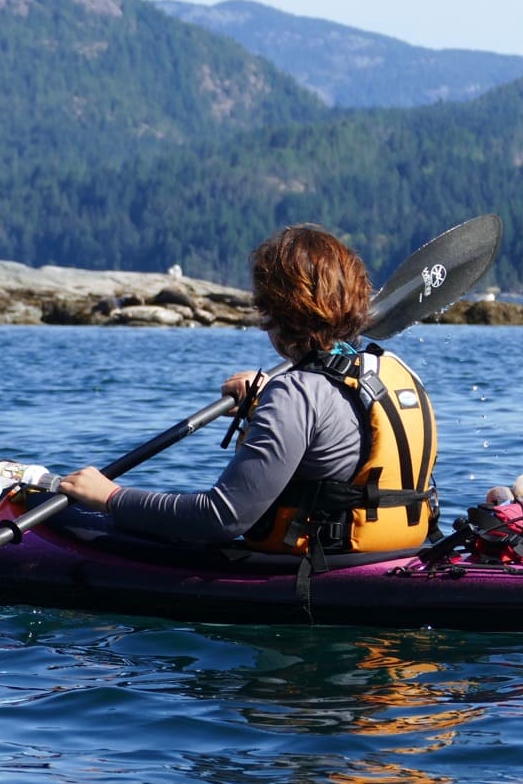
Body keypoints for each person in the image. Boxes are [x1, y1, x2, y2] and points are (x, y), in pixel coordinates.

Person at [58, 224, 438, 557]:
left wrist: (111, 497)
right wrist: (266, 397)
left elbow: (222, 517)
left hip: (322, 572)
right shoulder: (390, 371)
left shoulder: (295, 396)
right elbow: (335, 418)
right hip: (398, 553)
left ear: (274, 309)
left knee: (78, 516)